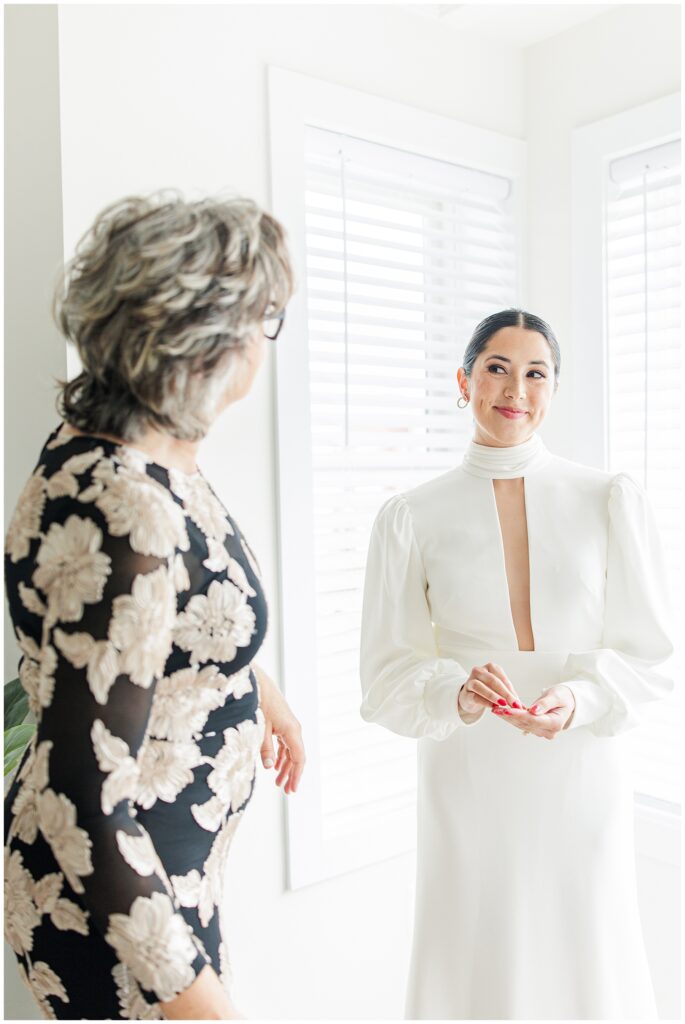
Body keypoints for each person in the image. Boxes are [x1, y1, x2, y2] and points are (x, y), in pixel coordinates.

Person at [4, 193, 305, 1020]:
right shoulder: (120, 503)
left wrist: (255, 688)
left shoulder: (148, 441)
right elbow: (83, 804)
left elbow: (166, 613)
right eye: (263, 319)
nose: (262, 344)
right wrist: (202, 1006)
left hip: (168, 863)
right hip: (113, 894)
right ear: (203, 338)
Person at [359, 308, 675, 1020]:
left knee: (586, 947)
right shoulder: (410, 516)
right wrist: (457, 692)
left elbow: (650, 651)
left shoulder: (608, 498)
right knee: (476, 953)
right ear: (462, 379)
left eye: (536, 373)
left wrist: (579, 699)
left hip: (579, 767)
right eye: (497, 368)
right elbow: (384, 675)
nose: (515, 389)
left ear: (554, 389)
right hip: (468, 775)